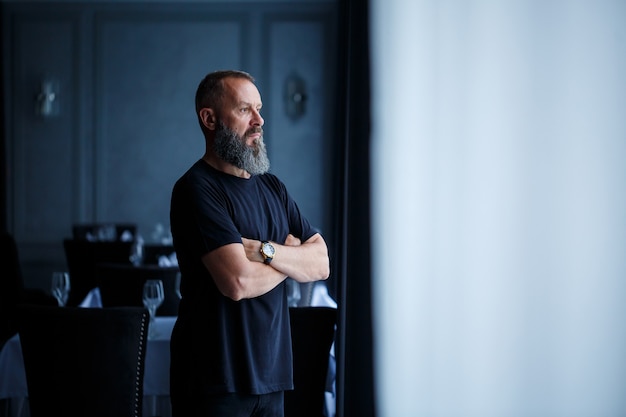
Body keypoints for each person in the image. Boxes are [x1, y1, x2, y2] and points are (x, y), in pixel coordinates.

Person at [169, 69, 330, 417]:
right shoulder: (196, 189)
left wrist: (264, 251)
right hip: (214, 380)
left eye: (259, 109)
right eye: (245, 110)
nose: (259, 120)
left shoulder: (273, 187)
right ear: (210, 119)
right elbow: (238, 282)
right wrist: (290, 260)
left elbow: (321, 263)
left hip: (272, 377)